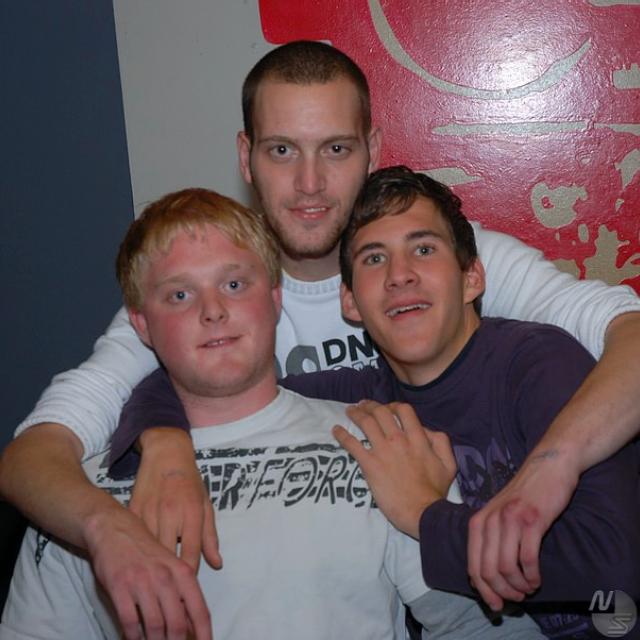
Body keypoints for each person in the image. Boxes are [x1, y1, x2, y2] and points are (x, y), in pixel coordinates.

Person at [1, 39, 640, 629]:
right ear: (246, 157)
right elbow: (39, 452)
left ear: (372, 150)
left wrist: (548, 472)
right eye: (283, 151)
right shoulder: (207, 291)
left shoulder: (449, 260)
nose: (310, 184)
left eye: (335, 149)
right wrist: (164, 443)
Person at [117, 168, 640, 639]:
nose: (399, 275)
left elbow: (614, 567)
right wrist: (165, 445)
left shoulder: (536, 361)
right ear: (350, 301)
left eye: (424, 249)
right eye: (373, 258)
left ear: (472, 278)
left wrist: (426, 516)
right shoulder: (357, 400)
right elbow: (208, 379)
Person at [0, 188, 543, 640]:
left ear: (276, 298)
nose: (213, 311)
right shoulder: (77, 495)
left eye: (235, 284)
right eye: (180, 295)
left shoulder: (378, 443)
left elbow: (480, 629)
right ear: (141, 325)